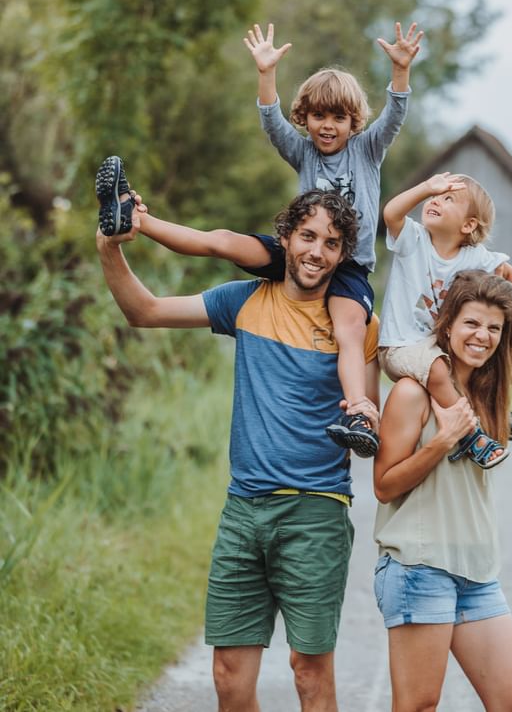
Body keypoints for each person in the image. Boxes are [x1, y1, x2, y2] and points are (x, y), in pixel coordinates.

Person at [96, 186, 380, 712]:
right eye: (308, 236)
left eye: (332, 243)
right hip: (243, 511)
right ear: (285, 238)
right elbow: (145, 311)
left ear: (343, 255)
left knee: (309, 672)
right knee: (228, 676)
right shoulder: (244, 301)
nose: (317, 252)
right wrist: (109, 247)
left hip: (316, 512)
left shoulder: (355, 324)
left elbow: (368, 417)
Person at [104, 21, 423, 459]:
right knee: (223, 241)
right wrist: (266, 73)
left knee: (350, 331)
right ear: (305, 118)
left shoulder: (367, 150)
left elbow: (395, 117)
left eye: (338, 118)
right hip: (299, 250)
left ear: (354, 123)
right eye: (318, 116)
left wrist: (401, 71)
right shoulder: (303, 152)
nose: (327, 126)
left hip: (348, 266)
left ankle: (358, 414)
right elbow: (272, 123)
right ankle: (136, 218)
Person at [373, 269, 512, 711]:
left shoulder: (489, 385)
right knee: (418, 705)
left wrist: (508, 274)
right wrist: (443, 441)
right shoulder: (412, 392)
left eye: (494, 328)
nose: (482, 336)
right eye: (471, 323)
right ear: (447, 325)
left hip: (477, 571)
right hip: (419, 565)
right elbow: (384, 486)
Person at [378, 171, 512, 470]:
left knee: (482, 360)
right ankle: (471, 436)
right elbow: (391, 213)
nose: (435, 200)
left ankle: (497, 413)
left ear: (468, 225)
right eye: (434, 197)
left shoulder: (474, 257)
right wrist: (425, 187)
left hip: (437, 348)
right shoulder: (413, 239)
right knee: (439, 369)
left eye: (448, 198)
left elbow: (507, 272)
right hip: (399, 347)